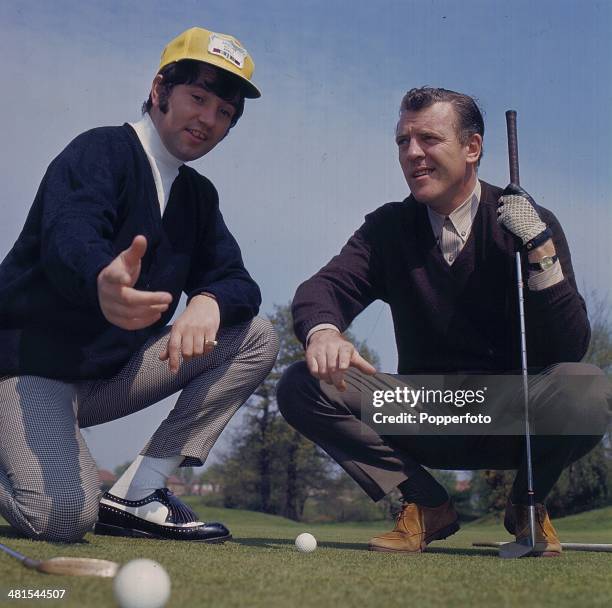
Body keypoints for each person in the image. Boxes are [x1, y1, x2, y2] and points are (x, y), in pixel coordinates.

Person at [277, 87, 610, 556]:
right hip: (424, 411)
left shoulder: (532, 223)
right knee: (301, 383)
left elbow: (570, 348)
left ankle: (527, 505)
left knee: (590, 386)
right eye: (402, 142)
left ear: (472, 148)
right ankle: (425, 502)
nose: (412, 154)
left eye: (428, 139)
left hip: (510, 418)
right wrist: (324, 331)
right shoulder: (388, 228)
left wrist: (540, 250)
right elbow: (323, 289)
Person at [0, 27, 278, 543]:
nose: (208, 120)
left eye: (225, 112)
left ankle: (137, 491)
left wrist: (211, 301)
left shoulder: (198, 196)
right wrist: (100, 278)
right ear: (159, 90)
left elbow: (237, 279)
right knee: (64, 519)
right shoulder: (101, 150)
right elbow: (70, 234)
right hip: (27, 370)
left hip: (105, 380)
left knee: (255, 336)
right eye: (198, 98)